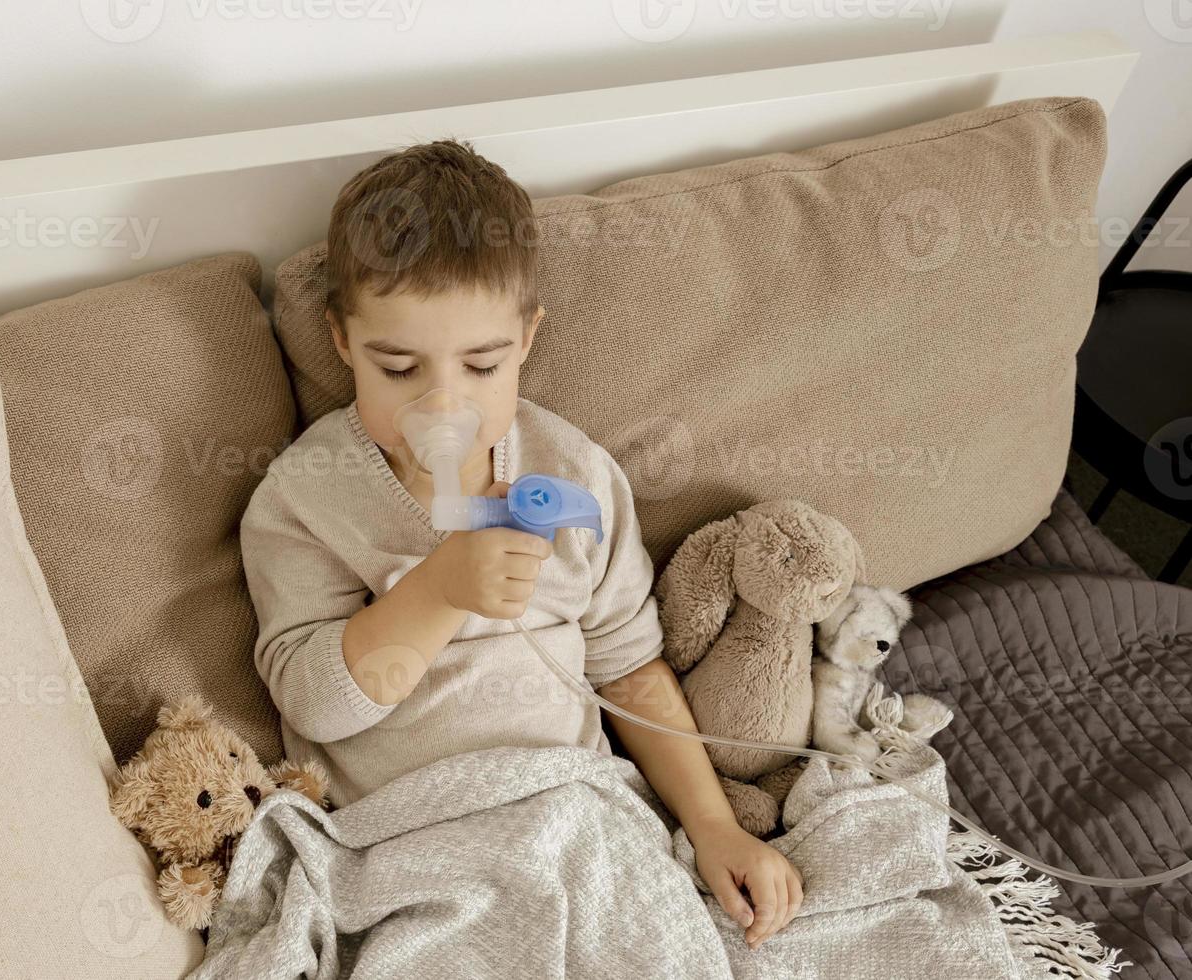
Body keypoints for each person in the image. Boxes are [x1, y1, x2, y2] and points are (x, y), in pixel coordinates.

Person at [238, 138, 802, 950]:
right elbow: (314, 702)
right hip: (411, 835)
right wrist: (434, 591)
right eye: (397, 368)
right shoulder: (306, 499)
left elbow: (628, 668)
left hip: (573, 808)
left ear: (527, 339)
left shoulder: (574, 474)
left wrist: (713, 824)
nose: (443, 402)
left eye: (481, 365)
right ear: (340, 341)